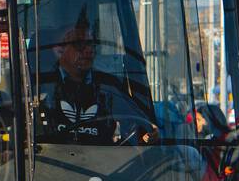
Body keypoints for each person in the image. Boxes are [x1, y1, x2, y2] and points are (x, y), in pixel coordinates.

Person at [36, 13, 158, 146]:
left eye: (91, 44)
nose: (89, 50)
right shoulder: (39, 86)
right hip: (51, 162)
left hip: (106, 163)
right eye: (79, 44)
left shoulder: (108, 85)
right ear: (58, 50)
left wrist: (148, 132)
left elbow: (138, 123)